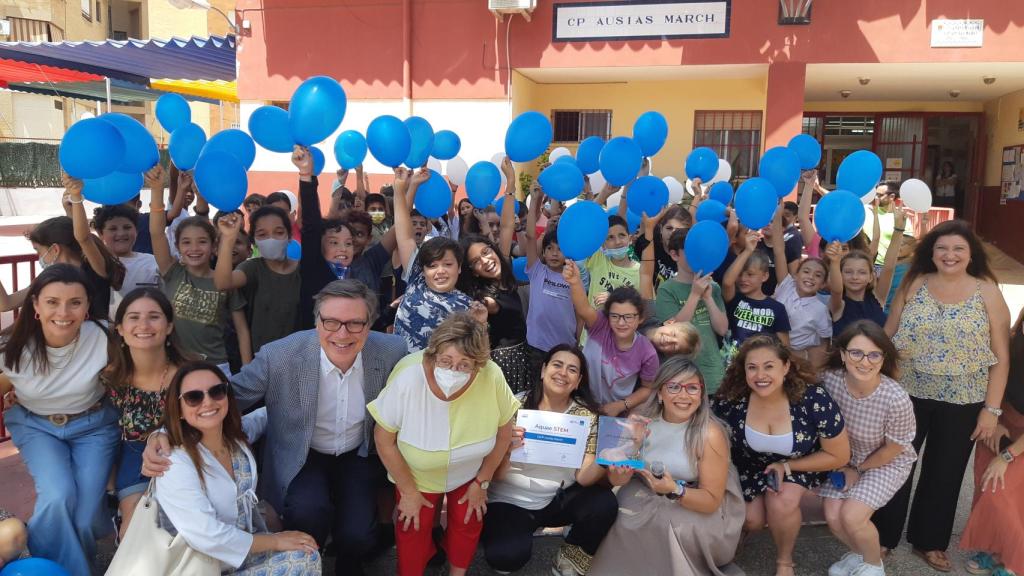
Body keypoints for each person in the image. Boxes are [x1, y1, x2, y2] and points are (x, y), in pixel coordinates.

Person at [144, 279, 408, 576]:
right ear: (317, 322)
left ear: (370, 323)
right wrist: (164, 432)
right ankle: (308, 559)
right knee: (308, 512)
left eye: (355, 323)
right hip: (302, 451)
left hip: (358, 451)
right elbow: (225, 398)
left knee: (358, 533)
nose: (342, 334)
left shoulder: (392, 351)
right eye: (331, 322)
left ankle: (349, 562)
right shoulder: (280, 355)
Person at [873, 220, 1010, 572]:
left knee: (945, 472)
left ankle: (929, 541)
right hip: (908, 393)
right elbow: (888, 335)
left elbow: (1001, 356)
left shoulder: (987, 292)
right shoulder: (914, 283)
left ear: (971, 254)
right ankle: (882, 537)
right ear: (931, 253)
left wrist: (991, 410)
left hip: (964, 398)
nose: (949, 255)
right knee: (897, 464)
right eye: (942, 248)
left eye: (958, 249)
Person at [368, 313, 517, 576]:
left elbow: (505, 432)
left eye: (464, 365)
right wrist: (408, 491)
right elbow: (383, 438)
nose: (453, 371)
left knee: (469, 519)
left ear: (478, 363)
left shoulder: (491, 375)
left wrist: (482, 481)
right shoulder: (408, 374)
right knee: (411, 526)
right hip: (416, 476)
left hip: (469, 473)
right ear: (432, 354)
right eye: (445, 361)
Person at [0, 264, 120, 575]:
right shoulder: (10, 349)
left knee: (85, 515)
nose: (63, 312)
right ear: (36, 305)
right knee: (57, 495)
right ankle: (67, 570)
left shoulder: (105, 337)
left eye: (75, 302)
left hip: (94, 426)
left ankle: (56, 562)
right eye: (52, 301)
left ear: (87, 307)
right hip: (36, 426)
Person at [153, 362, 321, 574]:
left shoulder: (233, 439)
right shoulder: (175, 462)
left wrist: (310, 400)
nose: (208, 402)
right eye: (193, 397)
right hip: (198, 567)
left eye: (217, 392)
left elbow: (265, 416)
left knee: (306, 552)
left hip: (237, 558)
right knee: (301, 561)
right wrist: (276, 541)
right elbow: (208, 536)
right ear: (178, 410)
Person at [590, 357, 745, 576]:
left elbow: (711, 500)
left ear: (701, 394)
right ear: (660, 393)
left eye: (692, 388)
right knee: (621, 516)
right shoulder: (642, 421)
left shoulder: (710, 434)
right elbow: (619, 479)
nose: (683, 395)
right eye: (673, 387)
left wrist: (675, 490)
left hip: (695, 496)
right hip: (643, 488)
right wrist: (619, 471)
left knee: (669, 524)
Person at [712, 336, 850, 576]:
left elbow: (839, 455)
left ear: (785, 367)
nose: (760, 375)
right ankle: (744, 531)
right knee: (752, 519)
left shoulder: (813, 399)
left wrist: (787, 467)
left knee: (782, 500)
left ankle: (785, 561)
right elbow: (707, 437)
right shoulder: (732, 401)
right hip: (751, 466)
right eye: (752, 367)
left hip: (800, 463)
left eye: (769, 366)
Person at [482, 345, 617, 576]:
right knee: (506, 556)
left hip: (555, 497)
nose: (563, 373)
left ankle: (569, 560)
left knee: (603, 504)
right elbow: (492, 474)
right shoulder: (513, 405)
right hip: (509, 500)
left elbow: (584, 478)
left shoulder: (586, 416)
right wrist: (505, 449)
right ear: (543, 370)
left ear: (578, 381)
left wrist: (605, 458)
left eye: (572, 369)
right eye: (557, 365)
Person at [819, 321, 917, 576]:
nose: (865, 362)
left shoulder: (895, 398)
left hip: (887, 461)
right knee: (832, 516)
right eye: (856, 353)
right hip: (845, 458)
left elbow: (892, 450)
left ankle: (873, 567)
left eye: (874, 354)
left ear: (883, 358)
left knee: (852, 516)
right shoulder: (830, 381)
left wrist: (857, 469)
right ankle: (860, 556)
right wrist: (846, 465)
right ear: (842, 354)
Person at [104, 288, 189, 536]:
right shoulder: (109, 378)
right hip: (132, 463)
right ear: (119, 328)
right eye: (133, 317)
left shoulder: (189, 376)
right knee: (135, 529)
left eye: (154, 316)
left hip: (184, 457)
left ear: (169, 326)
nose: (144, 324)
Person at [148, 165, 251, 367]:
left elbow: (242, 330)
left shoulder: (225, 281)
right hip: (175, 364)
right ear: (177, 247)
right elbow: (156, 232)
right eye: (186, 242)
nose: (194, 248)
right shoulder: (172, 271)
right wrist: (157, 189)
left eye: (202, 242)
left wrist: (248, 370)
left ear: (214, 247)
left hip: (216, 366)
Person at [293, 147, 397, 328]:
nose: (343, 248)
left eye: (348, 243)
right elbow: (311, 223)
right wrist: (306, 175)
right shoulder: (314, 267)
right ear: (320, 245)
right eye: (334, 242)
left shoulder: (355, 275)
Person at [959, 309, 1024, 576]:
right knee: (985, 487)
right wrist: (993, 418)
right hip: (998, 418)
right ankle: (993, 549)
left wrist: (1006, 456)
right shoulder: (1012, 331)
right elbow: (986, 376)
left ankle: (1014, 561)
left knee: (1005, 491)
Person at [391, 167, 484, 352]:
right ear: (423, 268)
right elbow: (404, 232)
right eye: (433, 265)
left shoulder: (467, 305)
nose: (440, 270)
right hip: (403, 371)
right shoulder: (416, 277)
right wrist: (401, 189)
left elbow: (474, 351)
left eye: (448, 264)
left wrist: (480, 323)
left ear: (459, 268)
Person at [564, 260, 660, 416]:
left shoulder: (647, 352)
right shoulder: (600, 324)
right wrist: (575, 282)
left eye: (628, 317)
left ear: (640, 318)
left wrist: (621, 405)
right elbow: (583, 308)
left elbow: (647, 388)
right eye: (615, 316)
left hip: (616, 412)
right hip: (580, 400)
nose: (621, 323)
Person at [214, 206, 301, 354]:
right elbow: (223, 282)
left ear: (289, 236)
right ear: (254, 241)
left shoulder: (303, 270)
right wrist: (228, 238)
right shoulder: (252, 269)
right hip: (262, 361)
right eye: (262, 234)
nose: (271, 239)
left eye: (279, 232)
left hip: (300, 359)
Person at [655, 227, 729, 391]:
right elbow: (674, 331)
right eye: (690, 251)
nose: (698, 255)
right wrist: (695, 295)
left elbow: (722, 329)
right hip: (682, 376)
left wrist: (708, 298)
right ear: (674, 255)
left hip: (713, 375)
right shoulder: (667, 289)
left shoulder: (713, 287)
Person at [521, 190, 576, 377]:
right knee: (538, 390)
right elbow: (529, 237)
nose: (554, 253)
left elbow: (580, 312)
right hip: (536, 346)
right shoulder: (537, 271)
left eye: (560, 250)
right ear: (542, 253)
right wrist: (534, 200)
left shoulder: (573, 276)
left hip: (565, 346)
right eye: (549, 249)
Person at [828, 205, 905, 336]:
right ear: (840, 275)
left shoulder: (878, 298)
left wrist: (898, 230)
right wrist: (835, 262)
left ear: (871, 276)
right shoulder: (838, 304)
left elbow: (889, 268)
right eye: (848, 272)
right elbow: (836, 289)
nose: (855, 277)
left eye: (862, 272)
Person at [720, 228, 792, 362]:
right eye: (740, 274)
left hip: (760, 368)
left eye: (750, 274)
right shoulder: (734, 299)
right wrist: (747, 251)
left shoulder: (777, 308)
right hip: (730, 365)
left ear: (765, 276)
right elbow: (727, 282)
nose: (743, 279)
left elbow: (785, 347)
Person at [771, 249, 831, 369]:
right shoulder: (786, 286)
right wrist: (777, 229)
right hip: (768, 348)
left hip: (795, 358)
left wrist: (816, 368)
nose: (811, 277)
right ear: (796, 275)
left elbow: (825, 340)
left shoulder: (820, 309)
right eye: (806, 271)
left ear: (823, 284)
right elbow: (779, 252)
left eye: (818, 275)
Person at [91, 204, 160, 296]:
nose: (121, 233)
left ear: (136, 230)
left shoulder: (154, 262)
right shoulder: (96, 264)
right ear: (100, 233)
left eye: (127, 227)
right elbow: (82, 239)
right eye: (113, 229)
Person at [632, 204, 691, 290]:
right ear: (661, 229)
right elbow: (643, 230)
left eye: (679, 230)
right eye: (669, 228)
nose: (673, 233)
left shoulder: (691, 255)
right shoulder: (651, 243)